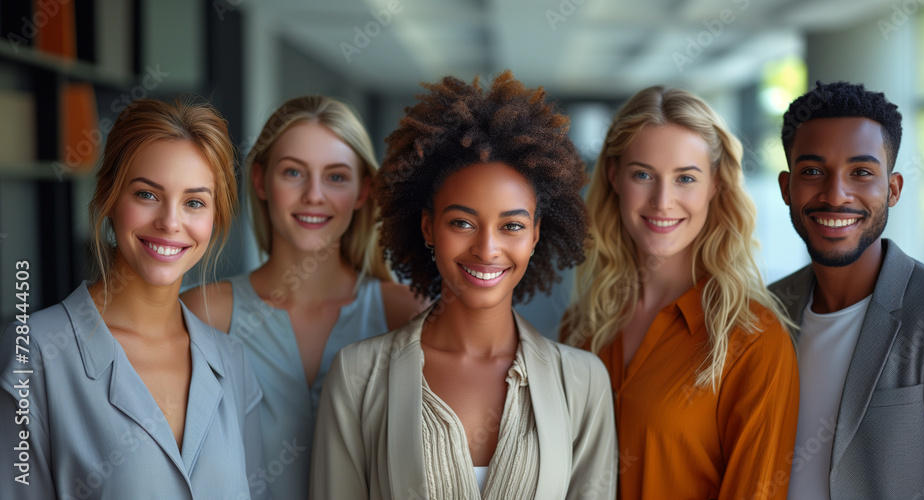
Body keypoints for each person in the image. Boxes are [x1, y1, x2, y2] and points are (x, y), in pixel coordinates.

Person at [310, 71, 617, 500]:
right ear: (428, 227)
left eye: (511, 225)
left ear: (535, 236)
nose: (487, 249)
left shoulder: (583, 383)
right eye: (462, 222)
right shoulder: (358, 376)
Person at [0, 98, 268, 499]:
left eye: (194, 202)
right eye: (147, 195)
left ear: (216, 218)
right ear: (110, 198)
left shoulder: (232, 361)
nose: (170, 222)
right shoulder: (34, 352)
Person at [181, 95, 425, 500]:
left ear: (364, 191)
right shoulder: (204, 313)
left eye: (336, 177)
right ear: (260, 180)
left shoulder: (405, 313)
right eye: (293, 172)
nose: (314, 195)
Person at [562, 86, 799, 499]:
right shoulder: (583, 324)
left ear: (715, 185)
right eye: (643, 175)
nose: (662, 201)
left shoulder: (753, 340)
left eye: (685, 178)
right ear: (615, 176)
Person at [770, 80, 924, 499]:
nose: (836, 194)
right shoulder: (762, 311)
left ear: (892, 189)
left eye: (861, 172)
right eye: (813, 172)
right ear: (787, 188)